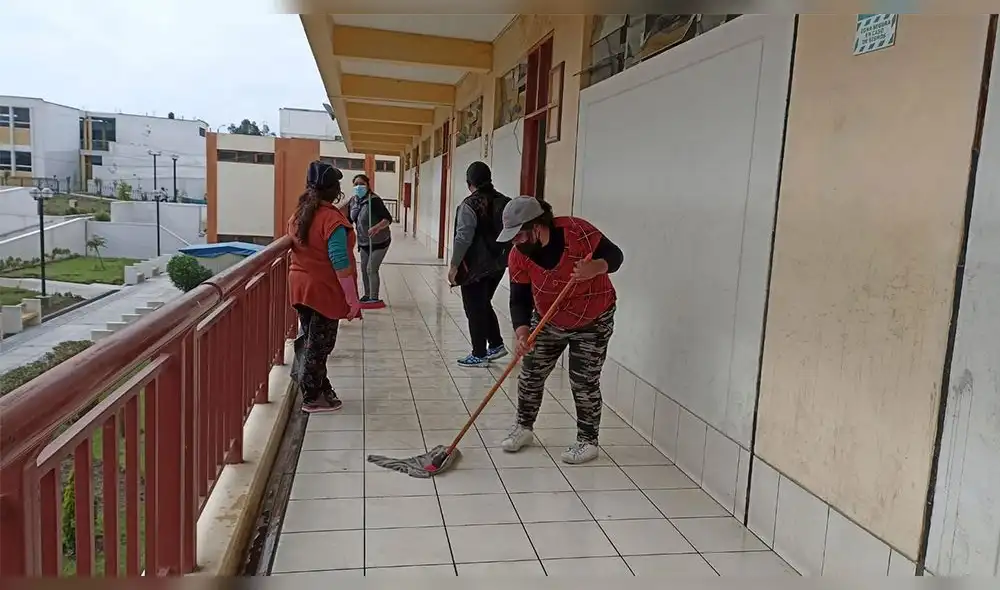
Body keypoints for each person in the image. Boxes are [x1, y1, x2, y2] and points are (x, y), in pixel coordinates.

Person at [496, 196, 624, 464]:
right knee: (530, 373)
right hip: (549, 318)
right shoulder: (518, 255)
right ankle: (524, 427)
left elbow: (615, 256)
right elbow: (519, 298)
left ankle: (588, 441)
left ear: (537, 226)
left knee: (584, 381)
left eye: (519, 236)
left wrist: (595, 268)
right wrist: (521, 333)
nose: (515, 243)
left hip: (593, 319)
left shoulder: (578, 232)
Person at [287, 160, 363, 413]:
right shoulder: (331, 219)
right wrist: (353, 299)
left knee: (312, 340)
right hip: (322, 291)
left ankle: (321, 388)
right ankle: (311, 396)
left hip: (301, 288)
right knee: (320, 345)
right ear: (334, 190)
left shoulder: (298, 215)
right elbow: (340, 261)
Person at [449, 161, 512, 368]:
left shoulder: (469, 205)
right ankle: (495, 344)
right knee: (483, 303)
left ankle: (479, 353)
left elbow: (463, 238)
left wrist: (454, 265)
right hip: (498, 264)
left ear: (469, 183)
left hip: (475, 266)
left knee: (474, 308)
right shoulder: (505, 202)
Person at [347, 173, 393, 308]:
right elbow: (349, 219)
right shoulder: (353, 202)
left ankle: (374, 297)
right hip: (364, 242)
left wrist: (377, 227)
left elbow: (387, 219)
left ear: (368, 185)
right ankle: (367, 295)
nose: (358, 187)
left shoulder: (374, 200)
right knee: (363, 269)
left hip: (379, 241)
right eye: (356, 184)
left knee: (371, 268)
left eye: (362, 184)